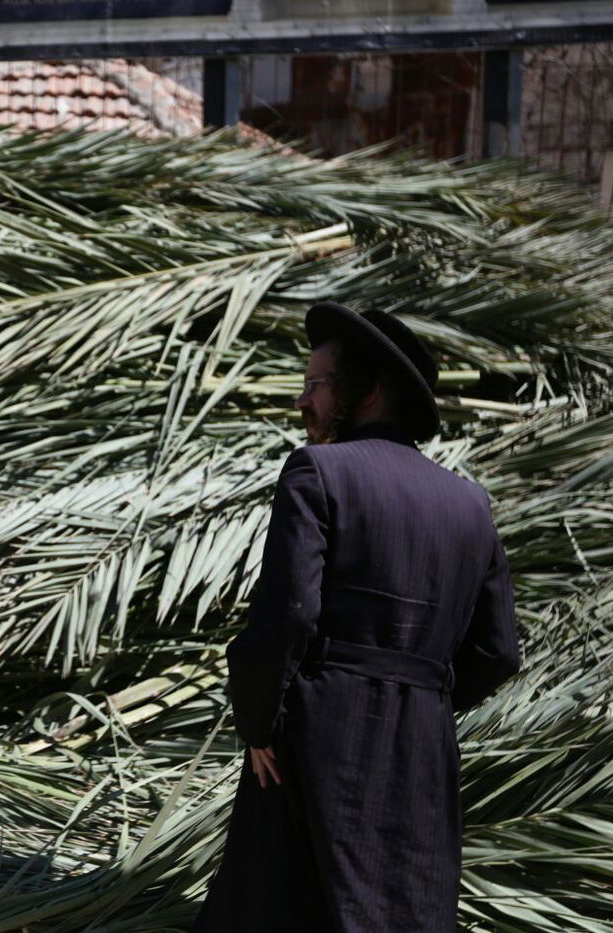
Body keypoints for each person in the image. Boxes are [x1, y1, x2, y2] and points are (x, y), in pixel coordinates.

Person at [192, 302, 521, 932]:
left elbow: (287, 615)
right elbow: (499, 651)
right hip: (424, 744)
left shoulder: (318, 471)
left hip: (316, 740)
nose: (301, 401)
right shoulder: (470, 503)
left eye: (314, 384)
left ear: (366, 392)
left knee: (280, 908)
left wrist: (259, 721)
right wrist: (417, 700)